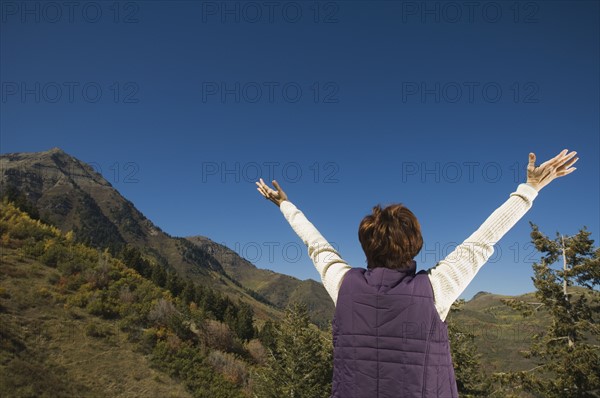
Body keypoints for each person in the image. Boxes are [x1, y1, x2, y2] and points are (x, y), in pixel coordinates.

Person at [255, 150, 578, 398]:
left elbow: (316, 245)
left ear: (366, 246)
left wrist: (285, 205)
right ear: (416, 245)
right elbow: (483, 240)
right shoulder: (437, 287)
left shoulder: (344, 284)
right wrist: (530, 188)